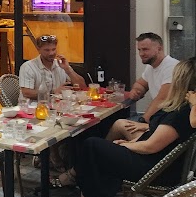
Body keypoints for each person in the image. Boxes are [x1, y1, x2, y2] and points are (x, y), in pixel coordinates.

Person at [74, 58, 196, 197]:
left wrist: (126, 146)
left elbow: (151, 146)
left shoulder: (180, 113)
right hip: (158, 162)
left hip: (156, 170)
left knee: (92, 145)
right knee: (98, 149)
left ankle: (89, 189)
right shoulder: (187, 108)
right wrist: (131, 143)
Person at [110, 32, 179, 141]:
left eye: (145, 49)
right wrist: (136, 91)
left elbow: (162, 99)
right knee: (117, 125)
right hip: (158, 120)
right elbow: (141, 84)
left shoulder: (171, 67)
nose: (141, 53)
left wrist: (142, 121)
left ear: (159, 49)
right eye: (139, 50)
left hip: (165, 124)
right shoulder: (151, 67)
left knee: (119, 125)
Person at [18, 34, 86, 99]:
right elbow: (26, 92)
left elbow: (83, 86)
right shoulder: (28, 67)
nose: (51, 53)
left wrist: (68, 69)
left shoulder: (60, 64)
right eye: (47, 50)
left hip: (57, 106)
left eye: (53, 49)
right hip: (34, 107)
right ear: (38, 50)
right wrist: (52, 92)